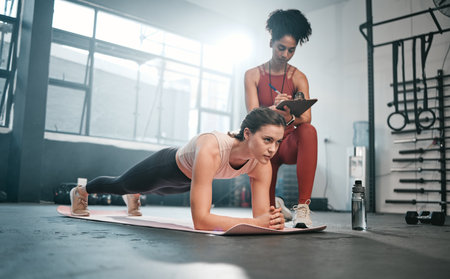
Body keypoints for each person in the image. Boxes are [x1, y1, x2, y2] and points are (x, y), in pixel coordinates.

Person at [70, 107, 287, 231]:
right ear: (247, 133)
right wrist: (254, 222)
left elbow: (261, 220)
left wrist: (271, 221)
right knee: (120, 185)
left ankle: (136, 194)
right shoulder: (213, 147)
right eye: (267, 139)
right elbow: (201, 222)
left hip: (187, 182)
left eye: (278, 142)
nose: (272, 149)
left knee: (152, 190)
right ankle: (81, 191)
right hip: (165, 167)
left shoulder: (261, 165)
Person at [244, 9, 317, 228]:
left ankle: (303, 208)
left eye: (291, 50)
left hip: (288, 143)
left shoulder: (298, 77)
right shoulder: (252, 75)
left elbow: (307, 118)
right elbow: (252, 116)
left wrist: (289, 116)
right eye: (281, 48)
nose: (285, 54)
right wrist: (273, 110)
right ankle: (275, 205)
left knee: (308, 131)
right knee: (267, 215)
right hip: (266, 144)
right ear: (271, 43)